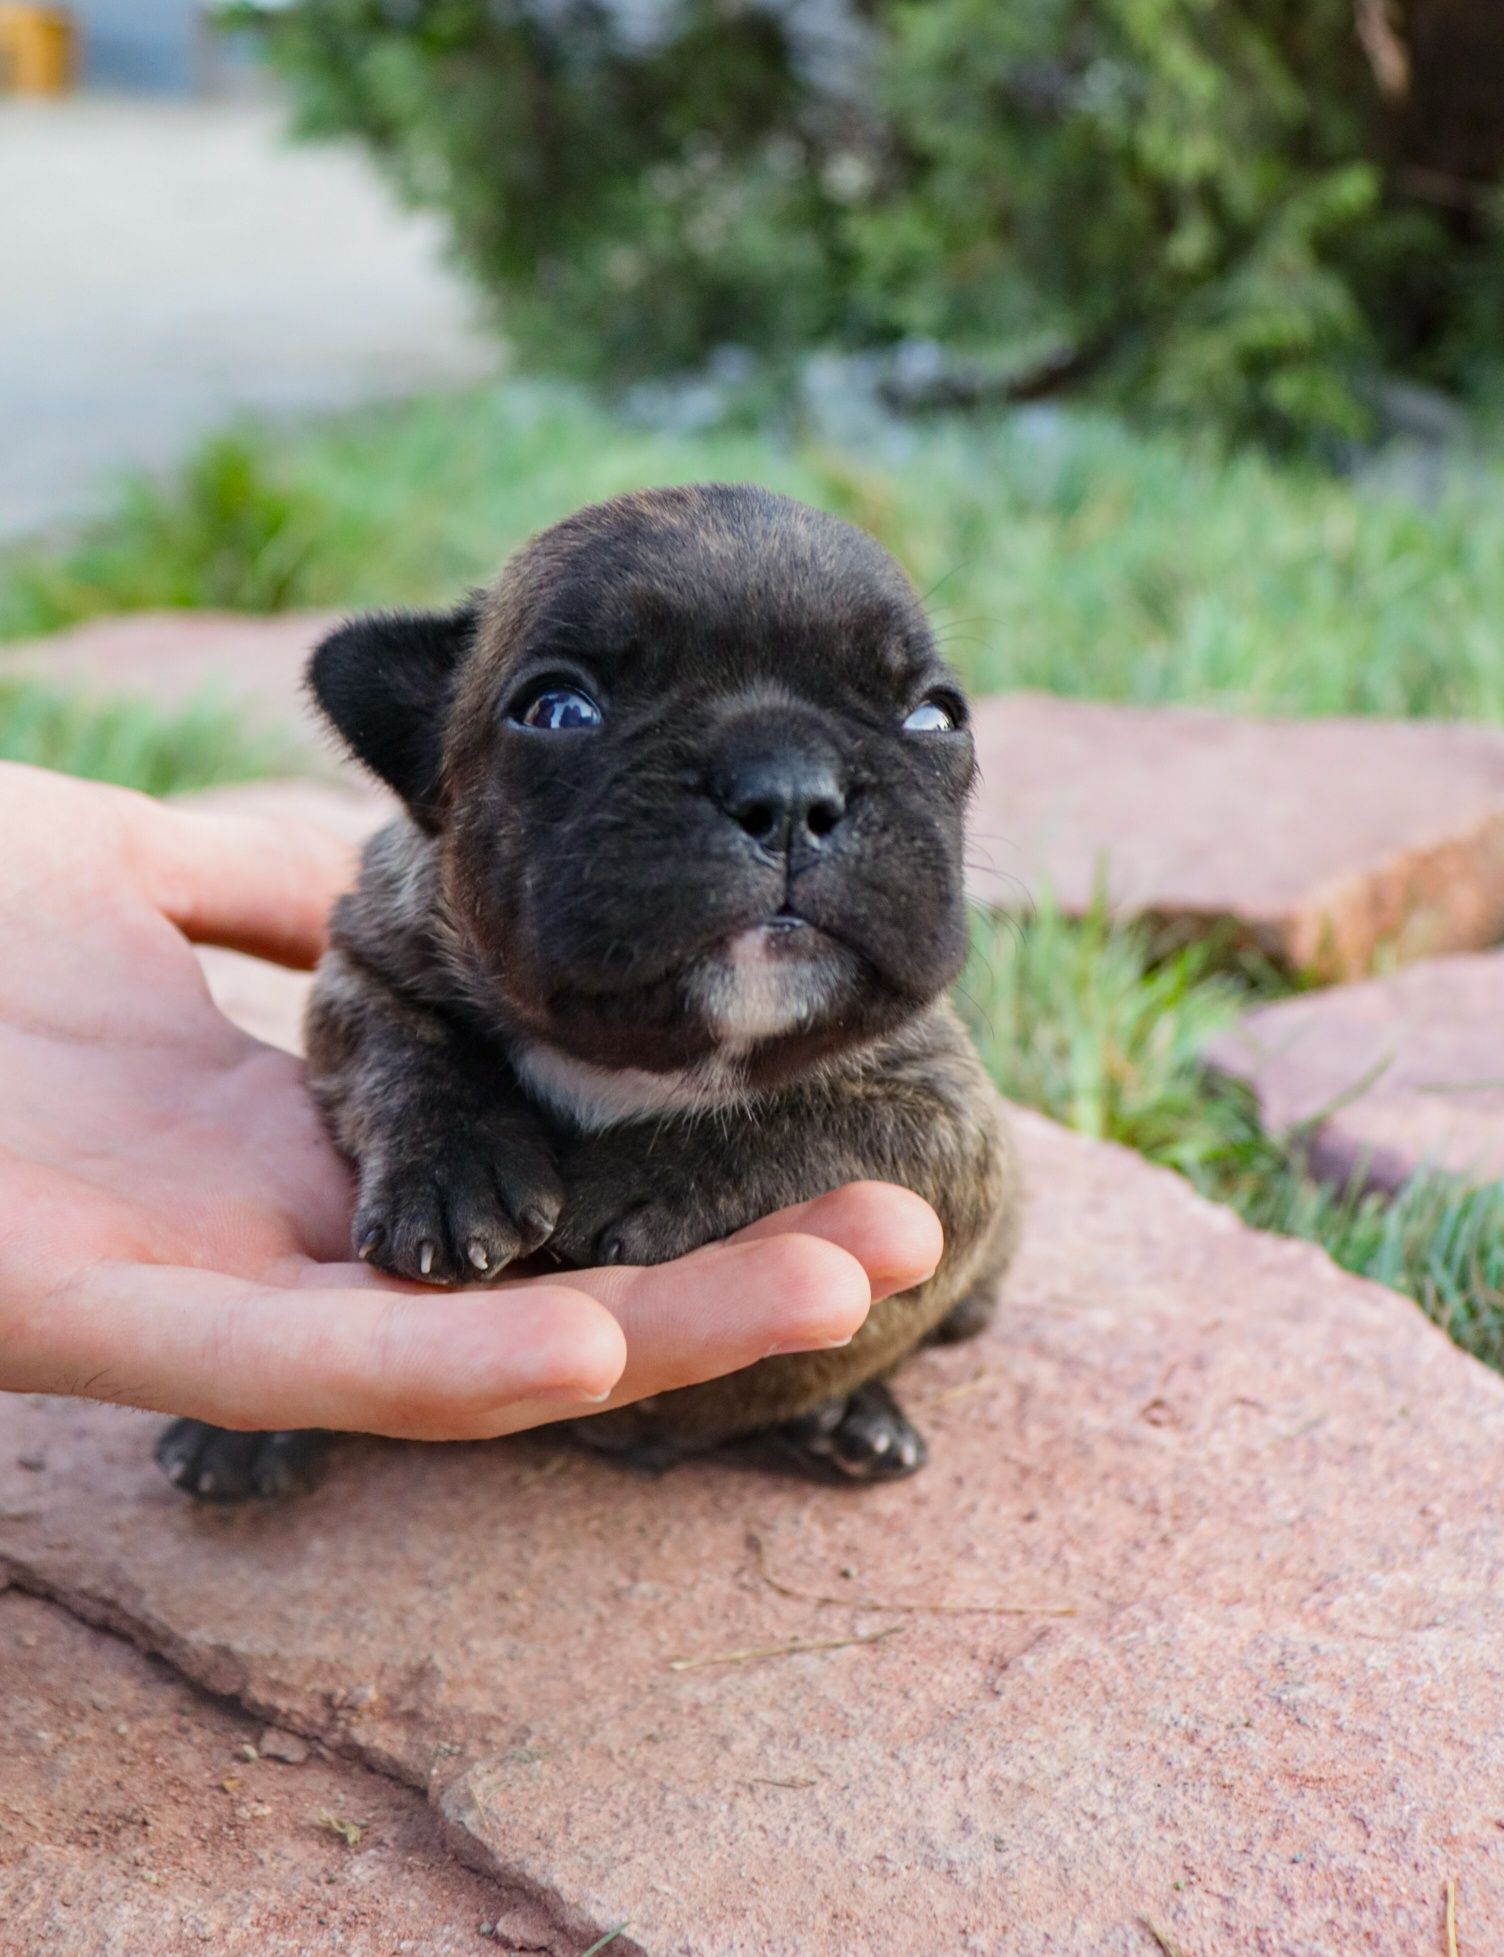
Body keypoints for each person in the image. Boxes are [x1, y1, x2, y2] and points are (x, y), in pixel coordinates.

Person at [0, 762, 941, 1442]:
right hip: (490, 1330)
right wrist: (429, 1117)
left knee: (906, 1268)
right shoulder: (418, 915)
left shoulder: (868, 999)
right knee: (332, 1289)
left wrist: (716, 1164)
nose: (787, 792)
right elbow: (362, 994)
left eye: (926, 716)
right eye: (565, 711)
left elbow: (944, 1136)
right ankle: (302, 1410)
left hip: (732, 1381)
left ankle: (834, 1386)